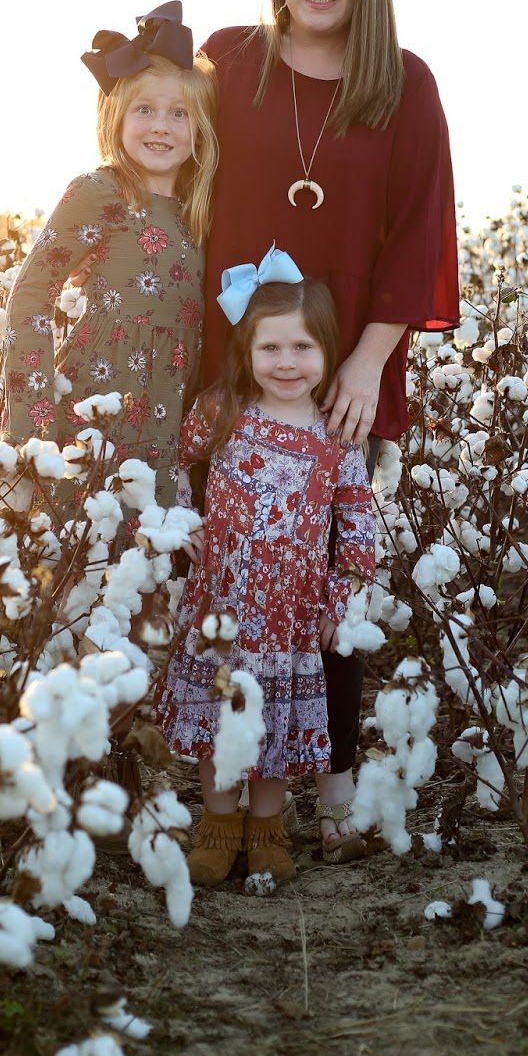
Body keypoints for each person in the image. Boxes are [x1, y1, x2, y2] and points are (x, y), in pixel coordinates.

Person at [198, 0, 459, 859]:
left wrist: (367, 364)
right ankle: (228, 783)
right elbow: (167, 155)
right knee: (228, 577)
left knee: (330, 580)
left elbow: (421, 229)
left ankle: (336, 784)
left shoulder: (402, 83)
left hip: (346, 369)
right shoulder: (229, 61)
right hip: (233, 368)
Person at [154, 254, 376, 885]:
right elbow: (175, 461)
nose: (286, 363)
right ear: (246, 351)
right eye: (270, 347)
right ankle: (219, 828)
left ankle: (267, 830)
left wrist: (342, 599)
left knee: (273, 725)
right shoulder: (223, 409)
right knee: (220, 721)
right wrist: (181, 518)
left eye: (303, 348)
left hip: (290, 616)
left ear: (328, 352)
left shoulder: (335, 434)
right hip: (221, 607)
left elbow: (357, 518)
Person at [3, 1, 218, 536]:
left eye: (179, 113)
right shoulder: (99, 192)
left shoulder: (202, 208)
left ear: (200, 128)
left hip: (169, 420)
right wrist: (33, 424)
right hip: (96, 409)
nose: (161, 126)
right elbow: (31, 295)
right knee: (85, 551)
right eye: (145, 109)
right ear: (115, 116)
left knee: (149, 565)